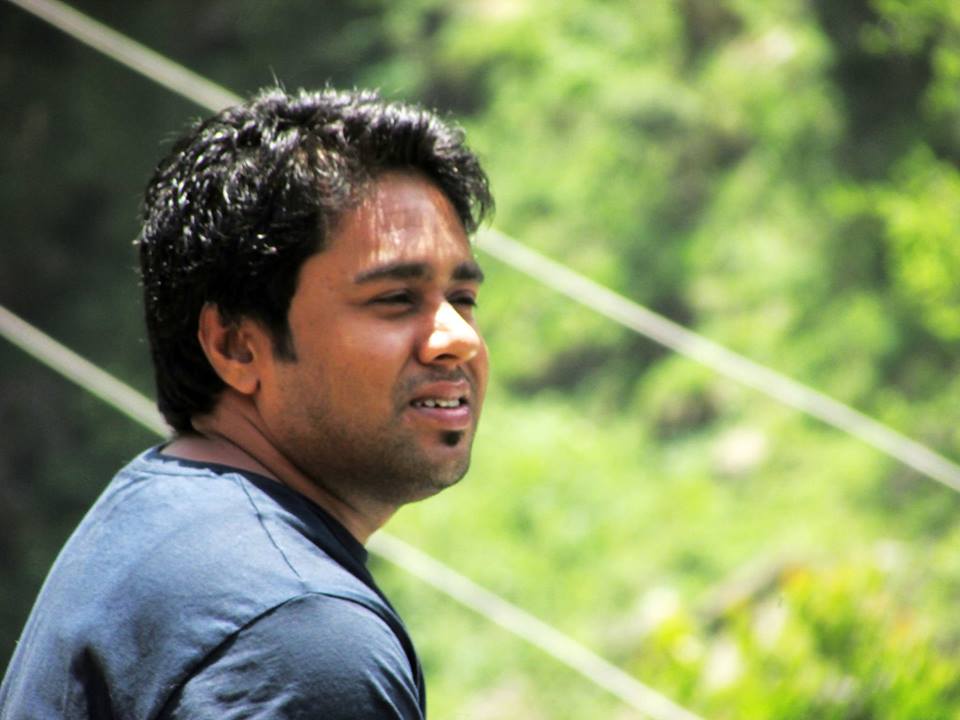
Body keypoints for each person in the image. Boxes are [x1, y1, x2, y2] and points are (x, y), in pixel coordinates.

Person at [0, 86, 493, 719]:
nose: (458, 338)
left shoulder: (160, 513)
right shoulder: (299, 638)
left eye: (463, 299)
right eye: (395, 299)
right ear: (236, 346)